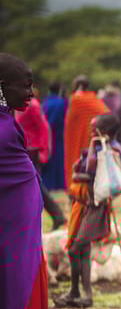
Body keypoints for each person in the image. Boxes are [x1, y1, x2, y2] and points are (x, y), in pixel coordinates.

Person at [0, 53, 53, 309]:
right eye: (24, 85)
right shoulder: (3, 132)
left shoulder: (9, 126)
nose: (31, 94)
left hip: (16, 249)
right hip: (12, 256)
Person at [56, 113, 121, 308]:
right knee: (75, 248)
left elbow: (93, 172)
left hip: (97, 206)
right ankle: (78, 291)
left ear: (108, 132)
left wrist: (95, 154)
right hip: (82, 204)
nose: (91, 132)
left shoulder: (113, 151)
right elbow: (81, 169)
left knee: (78, 246)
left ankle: (83, 293)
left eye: (95, 129)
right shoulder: (93, 147)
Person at [15, 86, 66, 229]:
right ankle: (57, 215)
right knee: (33, 186)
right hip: (23, 148)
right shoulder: (17, 104)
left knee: (35, 186)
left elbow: (44, 127)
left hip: (33, 150)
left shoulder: (33, 105)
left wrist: (44, 150)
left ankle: (57, 215)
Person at [63, 75, 108, 190]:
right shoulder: (93, 98)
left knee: (77, 165)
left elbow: (69, 121)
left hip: (77, 139)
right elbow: (106, 113)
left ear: (78, 85)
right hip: (91, 139)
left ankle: (77, 191)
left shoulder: (76, 99)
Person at [41, 81, 67, 191]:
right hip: (58, 133)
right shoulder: (62, 102)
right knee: (59, 157)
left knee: (49, 157)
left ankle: (47, 183)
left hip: (46, 134)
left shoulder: (45, 102)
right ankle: (59, 183)